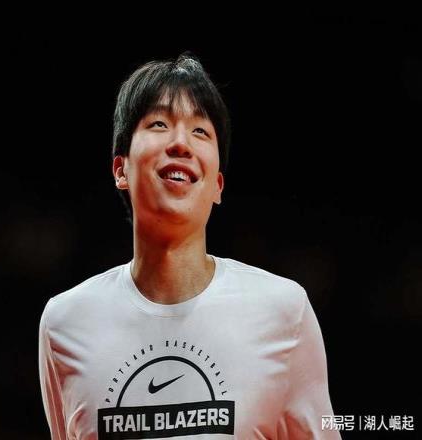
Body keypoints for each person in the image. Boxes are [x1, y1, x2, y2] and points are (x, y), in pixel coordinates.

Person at [38, 53, 341, 439]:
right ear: (121, 169)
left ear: (217, 185)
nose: (181, 142)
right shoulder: (65, 322)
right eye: (159, 124)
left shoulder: (284, 312)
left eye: (200, 131)